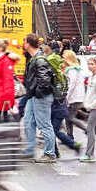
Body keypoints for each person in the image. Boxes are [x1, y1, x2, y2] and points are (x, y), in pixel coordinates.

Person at [22, 34, 57, 163]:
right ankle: (30, 150)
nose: (22, 44)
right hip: (34, 96)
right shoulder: (34, 57)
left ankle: (50, 154)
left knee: (44, 125)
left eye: (24, 41)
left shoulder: (40, 59)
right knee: (28, 122)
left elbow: (44, 81)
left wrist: (36, 93)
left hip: (40, 96)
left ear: (28, 44)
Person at [63, 49, 87, 138]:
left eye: (64, 58)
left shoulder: (72, 70)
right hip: (77, 96)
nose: (63, 59)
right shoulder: (77, 69)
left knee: (70, 117)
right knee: (68, 117)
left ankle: (85, 128)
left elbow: (71, 85)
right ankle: (69, 136)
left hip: (74, 97)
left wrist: (67, 97)